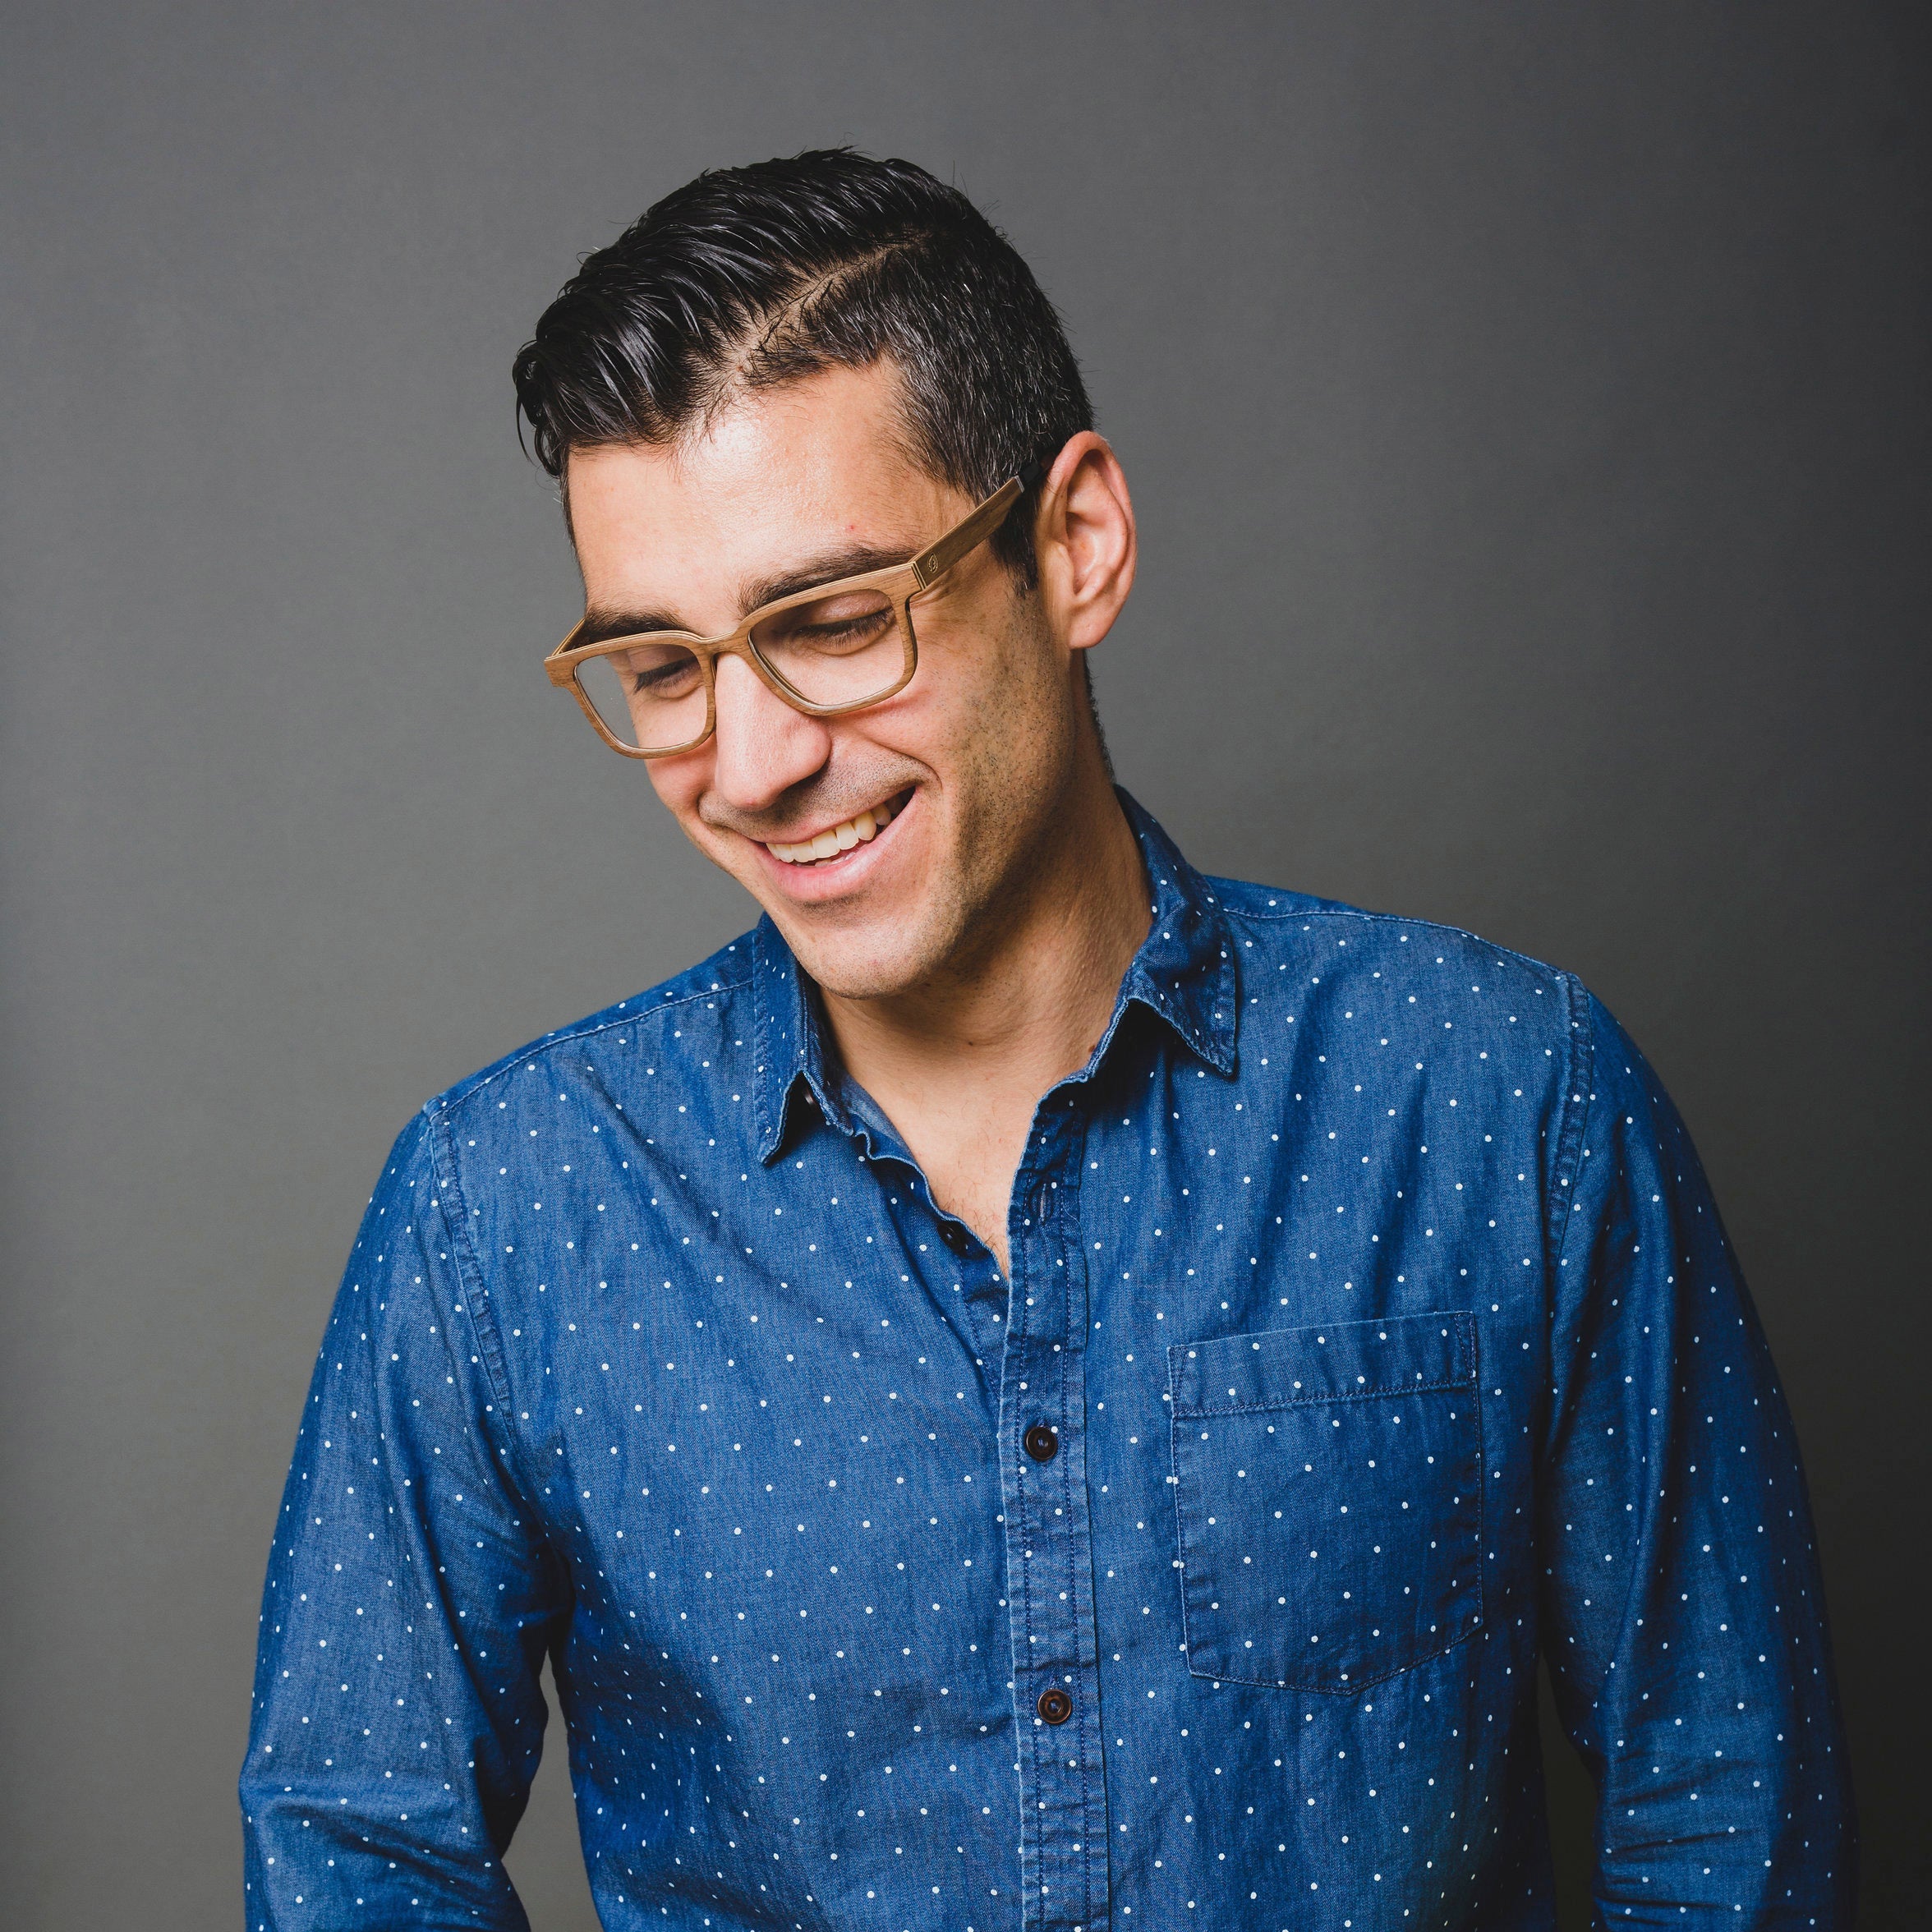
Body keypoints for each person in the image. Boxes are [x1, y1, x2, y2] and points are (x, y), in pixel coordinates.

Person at [240, 150, 1853, 1930]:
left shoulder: (1504, 1101)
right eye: (666, 666)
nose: (753, 761)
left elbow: (1733, 1812)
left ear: (1074, 547)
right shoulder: (501, 1215)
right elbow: (353, 1854)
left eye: (835, 621)